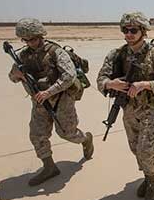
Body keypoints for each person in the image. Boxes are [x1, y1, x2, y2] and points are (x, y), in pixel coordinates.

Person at [96, 12, 154, 200]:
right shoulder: (117, 55)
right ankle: (148, 176)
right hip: (128, 110)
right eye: (125, 30)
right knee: (134, 148)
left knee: (145, 149)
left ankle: (153, 179)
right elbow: (100, 80)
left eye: (133, 30)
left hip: (150, 109)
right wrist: (110, 84)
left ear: (143, 32)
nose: (128, 34)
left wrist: (144, 85)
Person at [8, 18, 93, 186]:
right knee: (37, 134)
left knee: (67, 133)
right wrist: (16, 75)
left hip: (61, 99)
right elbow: (12, 77)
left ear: (40, 35)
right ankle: (49, 167)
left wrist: (49, 91)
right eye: (25, 40)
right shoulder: (23, 56)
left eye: (32, 39)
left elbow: (69, 76)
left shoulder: (55, 52)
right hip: (39, 102)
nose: (29, 43)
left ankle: (86, 139)